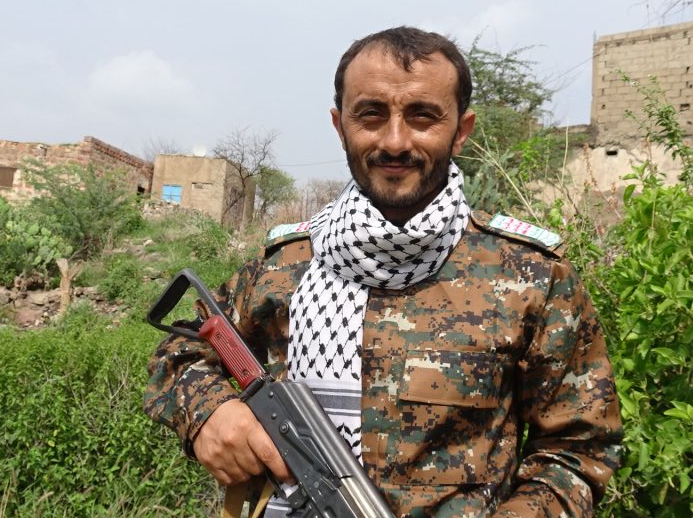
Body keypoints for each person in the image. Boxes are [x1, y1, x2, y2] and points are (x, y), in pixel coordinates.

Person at [144, 26, 622, 517]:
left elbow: (579, 452)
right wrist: (211, 413)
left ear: (461, 130)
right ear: (340, 126)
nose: (395, 141)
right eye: (371, 114)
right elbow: (181, 348)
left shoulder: (532, 276)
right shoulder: (284, 264)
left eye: (422, 116)